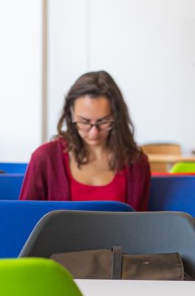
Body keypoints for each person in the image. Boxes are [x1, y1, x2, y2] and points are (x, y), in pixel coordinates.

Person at [20, 70, 150, 211]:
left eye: (103, 121)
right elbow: (24, 218)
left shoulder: (136, 163)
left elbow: (139, 226)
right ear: (70, 114)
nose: (94, 132)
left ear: (116, 116)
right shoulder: (45, 158)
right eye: (84, 121)